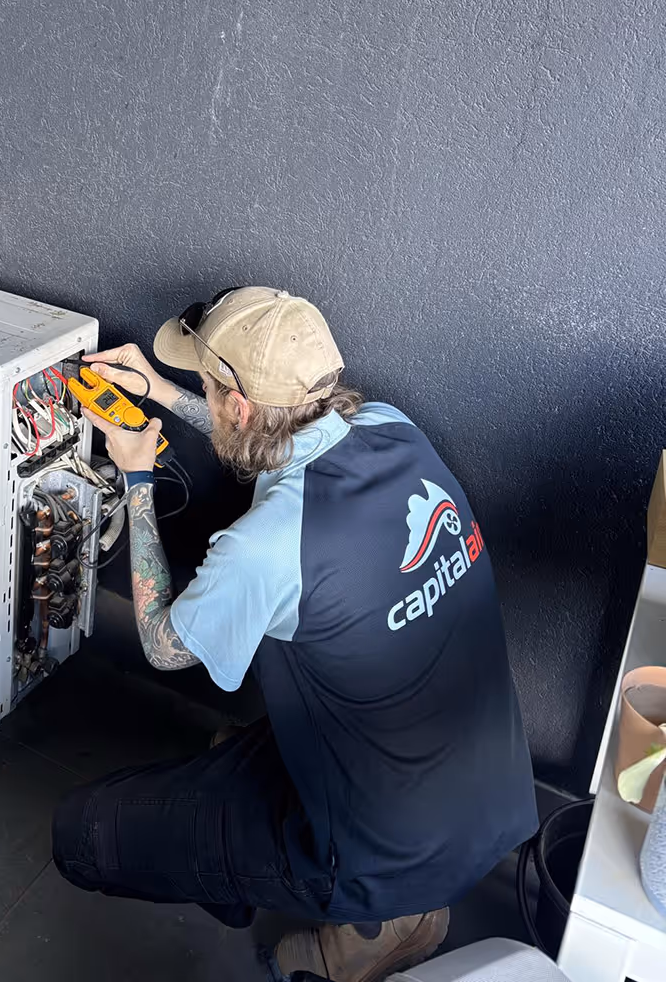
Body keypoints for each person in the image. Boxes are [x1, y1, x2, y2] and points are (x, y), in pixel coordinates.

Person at [52, 286, 538, 982]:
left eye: (208, 385)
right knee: (235, 761)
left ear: (240, 405)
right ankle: (323, 866)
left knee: (85, 835)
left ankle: (379, 921)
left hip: (385, 843)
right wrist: (159, 390)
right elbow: (275, 446)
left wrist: (135, 478)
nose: (203, 393)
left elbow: (163, 644)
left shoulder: (267, 546)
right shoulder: (391, 428)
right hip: (484, 790)